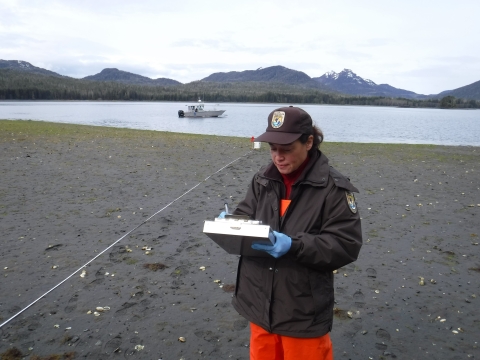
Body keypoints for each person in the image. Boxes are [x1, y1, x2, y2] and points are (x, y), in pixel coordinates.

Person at [228, 106, 362, 360]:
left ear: (309, 142)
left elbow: (346, 244)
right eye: (273, 149)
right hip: (258, 302)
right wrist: (232, 224)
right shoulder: (262, 180)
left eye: (287, 149)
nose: (278, 157)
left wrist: (295, 245)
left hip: (302, 311)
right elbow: (245, 213)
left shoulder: (334, 189)